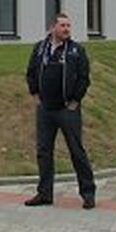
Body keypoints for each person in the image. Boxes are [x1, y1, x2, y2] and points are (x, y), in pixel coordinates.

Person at [24, 13, 96, 209]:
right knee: (43, 152)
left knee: (77, 151)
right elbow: (31, 72)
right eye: (63, 25)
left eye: (68, 26)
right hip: (45, 109)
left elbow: (84, 78)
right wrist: (35, 93)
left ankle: (88, 193)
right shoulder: (40, 48)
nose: (66, 29)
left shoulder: (76, 51)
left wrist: (75, 100)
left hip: (67, 110)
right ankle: (44, 193)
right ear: (52, 28)